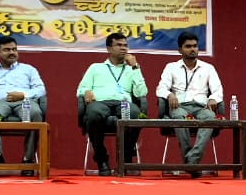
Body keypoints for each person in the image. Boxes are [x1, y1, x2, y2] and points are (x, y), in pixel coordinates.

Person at [0, 36, 45, 175]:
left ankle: (28, 160)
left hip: (24, 108)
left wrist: (23, 95)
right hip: (0, 115)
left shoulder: (28, 69)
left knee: (35, 114)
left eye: (14, 49)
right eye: (6, 50)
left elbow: (41, 90)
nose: (12, 52)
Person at [77, 32, 148, 176]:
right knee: (93, 113)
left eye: (125, 45)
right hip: (100, 103)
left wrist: (136, 67)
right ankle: (101, 159)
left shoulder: (131, 69)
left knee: (135, 113)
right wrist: (86, 92)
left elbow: (142, 93)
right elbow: (81, 89)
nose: (123, 48)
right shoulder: (95, 68)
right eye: (119, 45)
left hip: (123, 103)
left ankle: (125, 158)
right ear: (109, 48)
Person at [157, 31, 224, 177]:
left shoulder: (208, 68)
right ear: (180, 50)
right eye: (188, 46)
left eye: (195, 46)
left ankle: (191, 160)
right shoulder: (171, 67)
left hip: (201, 107)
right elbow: (161, 88)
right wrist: (169, 94)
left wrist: (213, 98)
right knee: (179, 118)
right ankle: (192, 163)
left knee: (210, 118)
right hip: (179, 106)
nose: (193, 49)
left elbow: (218, 89)